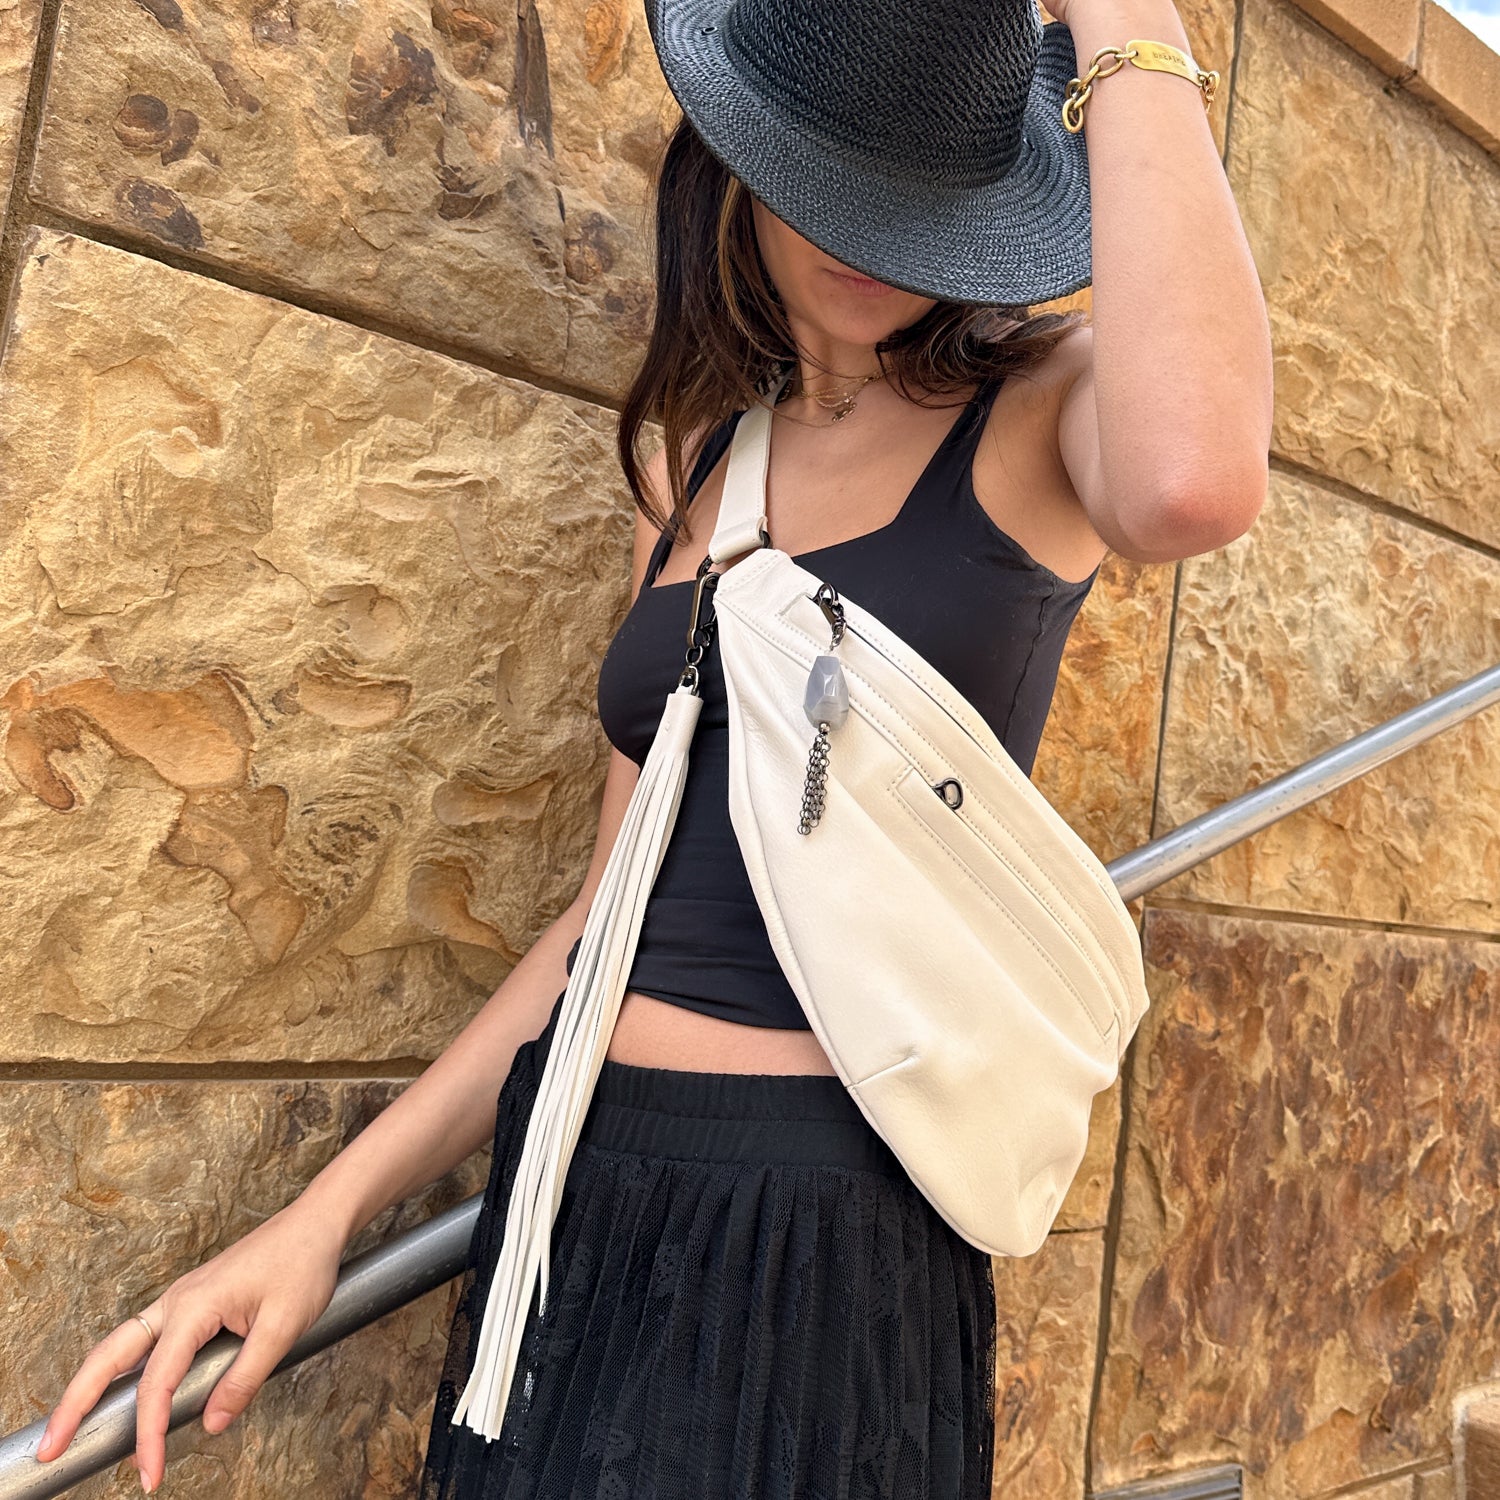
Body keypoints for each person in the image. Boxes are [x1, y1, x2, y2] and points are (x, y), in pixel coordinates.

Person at [33, 0, 1271, 1492]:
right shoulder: (695, 461)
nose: (868, 233)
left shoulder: (1035, 413)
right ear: (740, 153)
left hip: (825, 1228)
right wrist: (321, 1220)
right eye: (832, 166)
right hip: (577, 1182)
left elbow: (1194, 483)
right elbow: (597, 920)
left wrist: (1129, 19)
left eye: (918, 187)